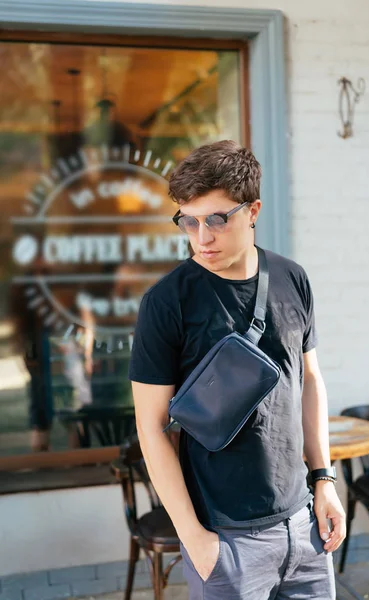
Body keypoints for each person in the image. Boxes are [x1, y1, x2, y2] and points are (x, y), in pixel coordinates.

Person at [129, 140, 346, 599]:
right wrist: (195, 538)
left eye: (216, 219)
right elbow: (151, 429)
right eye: (188, 220)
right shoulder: (167, 302)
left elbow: (308, 380)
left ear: (253, 210)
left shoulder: (292, 278)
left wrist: (323, 481)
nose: (201, 237)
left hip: (304, 526)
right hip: (224, 540)